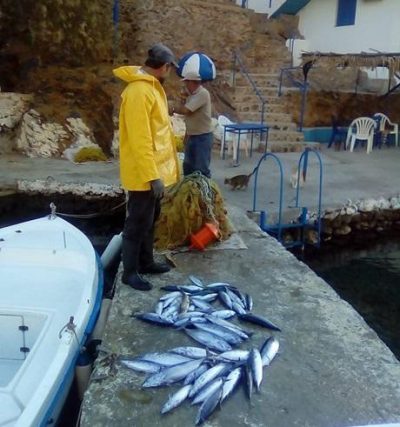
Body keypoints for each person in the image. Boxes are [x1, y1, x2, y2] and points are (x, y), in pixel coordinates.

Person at [113, 43, 180, 291]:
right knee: (137, 223)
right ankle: (129, 272)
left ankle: (146, 261)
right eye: (170, 68)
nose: (170, 72)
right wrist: (153, 176)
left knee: (150, 219)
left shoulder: (151, 88)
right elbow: (141, 140)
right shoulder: (139, 92)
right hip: (143, 174)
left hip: (151, 172)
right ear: (163, 67)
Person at [174, 72, 213, 178]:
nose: (185, 85)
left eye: (187, 82)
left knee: (201, 170)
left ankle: (205, 193)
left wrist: (172, 108)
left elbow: (186, 110)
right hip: (193, 136)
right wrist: (187, 135)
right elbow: (190, 118)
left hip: (202, 137)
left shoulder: (203, 94)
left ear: (192, 82)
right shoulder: (192, 96)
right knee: (188, 168)